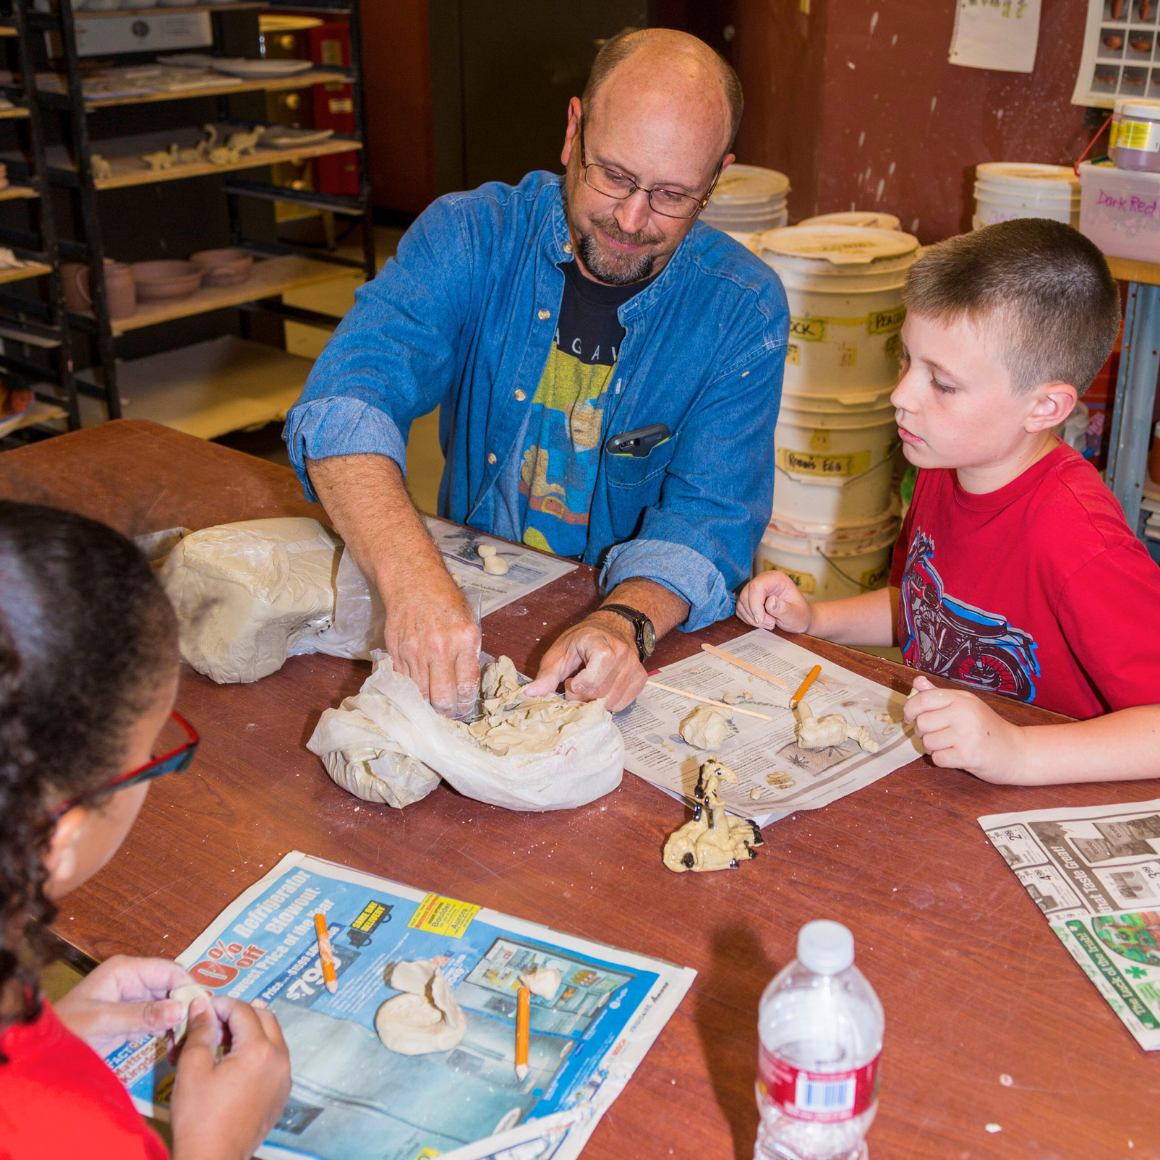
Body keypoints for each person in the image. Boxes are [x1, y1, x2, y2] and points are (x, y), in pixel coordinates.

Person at [284, 28, 788, 718]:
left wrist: (624, 623)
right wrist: (412, 583)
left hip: (641, 628)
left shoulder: (742, 306)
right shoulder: (470, 234)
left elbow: (712, 518)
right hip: (470, 598)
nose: (632, 219)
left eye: (673, 195)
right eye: (613, 175)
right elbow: (347, 401)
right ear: (572, 131)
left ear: (717, 178)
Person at [736, 218, 1160, 786]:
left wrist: (1020, 754)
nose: (901, 394)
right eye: (906, 359)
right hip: (947, 776)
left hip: (1045, 790)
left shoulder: (1081, 542)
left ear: (1043, 408)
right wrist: (815, 619)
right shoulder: (944, 462)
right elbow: (922, 608)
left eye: (944, 383)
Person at [0, 501, 291, 1159]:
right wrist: (218, 1145)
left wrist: (43, 1033)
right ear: (61, 835)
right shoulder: (74, 1135)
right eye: (154, 752)